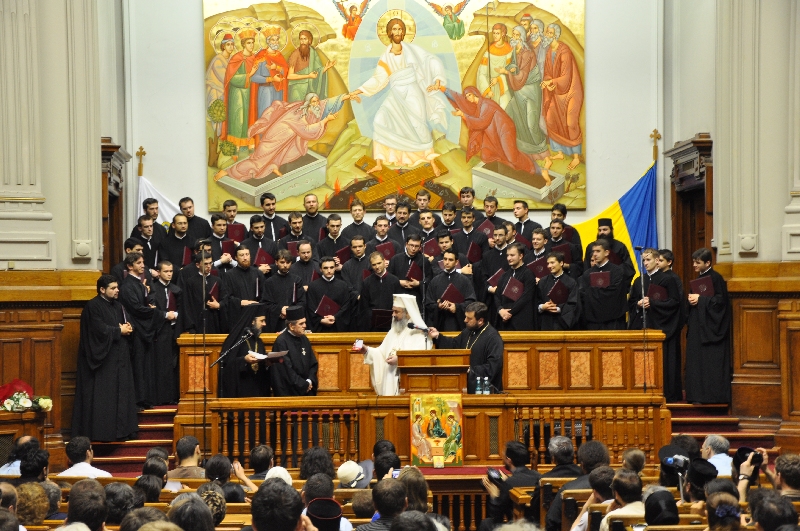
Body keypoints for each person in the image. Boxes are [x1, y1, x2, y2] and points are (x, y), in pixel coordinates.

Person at [349, 16, 448, 177]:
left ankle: (431, 161)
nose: (397, 32)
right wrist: (358, 91)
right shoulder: (386, 56)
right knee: (380, 119)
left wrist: (437, 80)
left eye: (400, 29)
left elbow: (432, 60)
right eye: (394, 29)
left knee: (418, 124)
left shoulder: (412, 50)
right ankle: (379, 162)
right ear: (389, 32)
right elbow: (379, 79)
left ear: (404, 32)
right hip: (396, 93)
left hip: (413, 91)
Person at [215, 93, 350, 182]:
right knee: (259, 160)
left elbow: (325, 103)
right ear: (308, 103)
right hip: (277, 136)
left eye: (317, 102)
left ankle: (273, 167)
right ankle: (228, 172)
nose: (316, 104)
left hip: (288, 137)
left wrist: (346, 96)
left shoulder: (311, 108)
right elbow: (306, 129)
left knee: (282, 154)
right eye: (313, 102)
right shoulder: (300, 113)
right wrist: (325, 120)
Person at [72, 274, 139, 442]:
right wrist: (118, 331)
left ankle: (122, 431)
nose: (117, 291)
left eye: (117, 287)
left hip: (120, 360)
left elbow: (125, 323)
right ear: (102, 290)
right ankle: (104, 433)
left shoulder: (118, 306)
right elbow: (98, 330)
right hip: (104, 363)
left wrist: (129, 328)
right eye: (113, 288)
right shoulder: (93, 307)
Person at [444, 86, 543, 177]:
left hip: (505, 130)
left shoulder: (486, 104)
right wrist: (443, 89)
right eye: (466, 97)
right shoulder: (478, 106)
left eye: (469, 95)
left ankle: (533, 168)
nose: (468, 98)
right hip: (494, 132)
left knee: (511, 156)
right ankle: (515, 171)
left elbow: (482, 122)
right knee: (487, 155)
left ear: (474, 93)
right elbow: (459, 99)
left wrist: (463, 115)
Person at [627, 248, 683, 401]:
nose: (645, 263)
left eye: (648, 260)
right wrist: (638, 304)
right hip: (642, 325)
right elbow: (631, 302)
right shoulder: (639, 281)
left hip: (661, 325)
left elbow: (674, 302)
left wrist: (653, 303)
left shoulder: (667, 279)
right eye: (643, 260)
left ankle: (666, 393)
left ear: (657, 261)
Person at [356, 294, 428, 396]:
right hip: (389, 381)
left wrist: (399, 360)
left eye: (397, 312)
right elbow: (381, 353)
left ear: (408, 313)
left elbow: (420, 359)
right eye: (393, 311)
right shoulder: (393, 331)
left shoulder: (419, 333)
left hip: (406, 387)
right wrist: (366, 350)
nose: (393, 315)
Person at [685, 247, 731, 404]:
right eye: (693, 262)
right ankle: (697, 396)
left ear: (708, 262)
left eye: (697, 262)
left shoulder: (716, 278)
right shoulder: (698, 278)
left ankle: (712, 397)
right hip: (698, 327)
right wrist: (692, 300)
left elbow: (720, 302)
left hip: (711, 329)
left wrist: (701, 299)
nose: (694, 265)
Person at [428, 302, 503, 394]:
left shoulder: (493, 338)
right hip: (465, 386)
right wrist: (437, 336)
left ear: (480, 321)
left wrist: (469, 370)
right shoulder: (468, 331)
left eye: (469, 318)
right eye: (465, 317)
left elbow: (493, 367)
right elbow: (454, 345)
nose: (465, 320)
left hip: (485, 390)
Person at [542, 23, 584, 171]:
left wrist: (552, 82)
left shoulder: (564, 51)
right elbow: (547, 72)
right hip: (557, 93)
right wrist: (548, 82)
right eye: (546, 32)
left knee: (570, 122)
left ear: (555, 35)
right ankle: (559, 152)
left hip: (571, 92)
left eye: (549, 32)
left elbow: (566, 78)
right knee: (550, 118)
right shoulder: (548, 51)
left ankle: (576, 157)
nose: (546, 34)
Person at [501, 26, 548, 159]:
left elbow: (523, 74)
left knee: (531, 122)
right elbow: (515, 66)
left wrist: (507, 72)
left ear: (521, 37)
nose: (514, 38)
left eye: (516, 35)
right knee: (517, 118)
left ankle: (541, 150)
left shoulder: (527, 53)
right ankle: (527, 152)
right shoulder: (517, 51)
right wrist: (509, 68)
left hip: (530, 90)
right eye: (513, 35)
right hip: (519, 90)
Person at [545, 441, 610, 531]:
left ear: (582, 465)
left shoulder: (567, 489)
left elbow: (551, 521)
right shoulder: (620, 486)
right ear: (607, 462)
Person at [480, 441, 542, 531]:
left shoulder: (509, 483)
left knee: (486, 523)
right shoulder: (538, 476)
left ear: (509, 460)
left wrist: (494, 495)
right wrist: (506, 481)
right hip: (537, 526)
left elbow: (496, 515)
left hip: (518, 527)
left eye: (504, 456)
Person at [218, 303, 271, 398]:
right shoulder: (236, 340)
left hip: (257, 389)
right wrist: (244, 360)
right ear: (252, 321)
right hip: (241, 390)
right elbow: (226, 365)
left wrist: (266, 363)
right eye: (262, 321)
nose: (265, 324)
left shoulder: (259, 341)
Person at [579, 239, 628, 330]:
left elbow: (615, 294)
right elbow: (584, 295)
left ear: (606, 252)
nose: (595, 254)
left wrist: (593, 291)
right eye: (593, 251)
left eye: (598, 251)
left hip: (613, 321)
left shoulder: (617, 271)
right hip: (593, 322)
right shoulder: (587, 274)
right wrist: (602, 290)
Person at [150, 260, 181, 405]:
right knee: (162, 365)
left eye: (171, 271)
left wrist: (177, 316)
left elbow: (184, 308)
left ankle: (173, 396)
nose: (169, 274)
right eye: (166, 272)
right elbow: (152, 311)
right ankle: (161, 397)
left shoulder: (177, 289)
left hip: (174, 331)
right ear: (159, 272)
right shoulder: (154, 289)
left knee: (174, 365)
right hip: (160, 332)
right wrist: (165, 315)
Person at [270, 306, 318, 396]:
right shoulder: (280, 342)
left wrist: (309, 381)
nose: (305, 326)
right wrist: (303, 385)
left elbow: (313, 363)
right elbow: (286, 371)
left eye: (305, 322)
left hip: (307, 388)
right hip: (290, 392)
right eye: (301, 324)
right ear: (291, 326)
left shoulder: (304, 339)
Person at [425, 250, 476, 331]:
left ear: (456, 262)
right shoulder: (435, 281)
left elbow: (471, 302)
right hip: (440, 323)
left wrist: (457, 307)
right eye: (445, 259)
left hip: (459, 323)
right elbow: (428, 303)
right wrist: (438, 306)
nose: (447, 262)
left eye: (450, 260)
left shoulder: (464, 280)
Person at [220, 246, 268, 332]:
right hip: (238, 317)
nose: (245, 258)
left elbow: (265, 294)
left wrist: (257, 305)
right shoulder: (229, 275)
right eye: (242, 255)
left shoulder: (258, 273)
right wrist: (241, 302)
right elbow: (226, 298)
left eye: (247, 254)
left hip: (256, 315)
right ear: (236, 257)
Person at [491, 243, 536, 331]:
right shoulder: (504, 275)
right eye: (507, 255)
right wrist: (500, 310)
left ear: (520, 256)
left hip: (521, 320)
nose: (509, 258)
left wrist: (509, 313)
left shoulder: (528, 274)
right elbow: (497, 295)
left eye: (512, 255)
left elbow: (526, 297)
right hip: (503, 320)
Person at [176, 252, 222, 335]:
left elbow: (225, 298)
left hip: (215, 322)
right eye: (205, 264)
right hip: (197, 323)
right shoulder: (191, 282)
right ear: (198, 265)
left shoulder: (217, 281)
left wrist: (219, 305)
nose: (209, 266)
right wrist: (191, 327)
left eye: (210, 263)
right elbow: (187, 306)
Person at [261, 249, 306, 333]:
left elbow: (302, 302)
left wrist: (290, 311)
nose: (285, 265)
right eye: (282, 262)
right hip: (276, 322)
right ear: (276, 262)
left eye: (288, 262)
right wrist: (280, 309)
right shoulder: (269, 282)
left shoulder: (297, 280)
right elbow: (266, 304)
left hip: (294, 322)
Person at [306, 256, 353, 332]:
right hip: (320, 327)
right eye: (325, 268)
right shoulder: (313, 286)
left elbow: (346, 306)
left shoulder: (343, 285)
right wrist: (320, 320)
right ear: (320, 269)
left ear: (335, 268)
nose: (329, 270)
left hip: (338, 327)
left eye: (331, 267)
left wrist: (335, 317)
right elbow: (311, 307)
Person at [582, 219, 635, 285]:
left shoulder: (620, 246)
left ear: (611, 230)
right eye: (599, 230)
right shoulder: (591, 247)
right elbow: (586, 267)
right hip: (595, 285)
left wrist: (611, 271)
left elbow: (629, 268)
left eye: (605, 230)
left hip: (616, 283)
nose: (602, 232)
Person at [251, 26, 289, 118]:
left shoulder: (279, 56)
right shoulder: (261, 56)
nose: (275, 42)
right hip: (265, 91)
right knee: (266, 116)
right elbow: (254, 77)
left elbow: (286, 72)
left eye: (277, 40)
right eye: (273, 40)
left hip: (278, 91)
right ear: (268, 41)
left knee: (276, 115)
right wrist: (271, 78)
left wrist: (277, 67)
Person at [360, 252, 403, 332]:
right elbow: (364, 306)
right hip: (372, 324)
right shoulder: (367, 282)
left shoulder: (394, 280)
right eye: (374, 265)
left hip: (392, 323)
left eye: (379, 263)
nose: (377, 267)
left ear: (384, 261)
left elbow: (398, 303)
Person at [287, 31, 334, 103]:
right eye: (301, 39)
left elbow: (316, 73)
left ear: (309, 40)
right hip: (296, 89)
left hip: (309, 89)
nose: (302, 41)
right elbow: (290, 76)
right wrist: (308, 76)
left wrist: (326, 68)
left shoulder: (313, 53)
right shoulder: (295, 54)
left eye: (304, 39)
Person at [536, 251, 579, 330]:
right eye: (548, 263)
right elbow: (536, 300)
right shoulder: (542, 281)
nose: (549, 266)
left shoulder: (571, 282)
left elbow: (574, 305)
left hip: (562, 323)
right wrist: (542, 307)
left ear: (561, 263)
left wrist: (558, 308)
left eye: (552, 263)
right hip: (545, 322)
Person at [388, 234, 432, 310]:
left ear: (420, 247)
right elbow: (388, 277)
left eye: (416, 246)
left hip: (416, 297)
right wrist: (399, 282)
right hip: (399, 296)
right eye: (411, 245)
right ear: (406, 245)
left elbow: (430, 279)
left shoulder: (424, 261)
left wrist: (418, 283)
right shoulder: (396, 259)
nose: (413, 248)